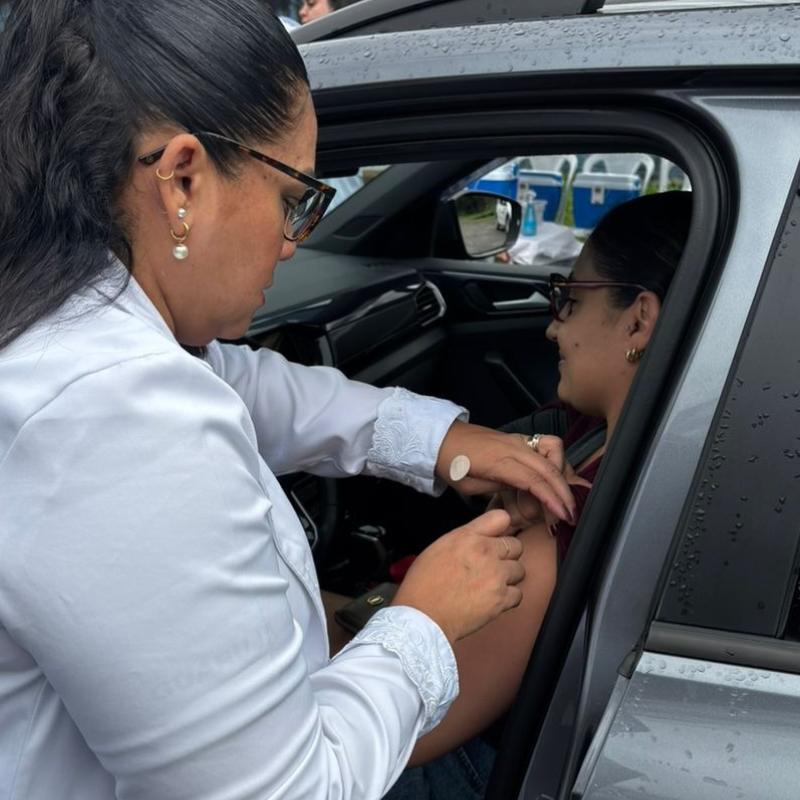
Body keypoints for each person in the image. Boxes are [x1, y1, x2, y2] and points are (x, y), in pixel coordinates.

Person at [0, 2, 577, 799]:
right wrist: (426, 623)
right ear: (183, 179)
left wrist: (442, 441)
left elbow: (241, 382)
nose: (292, 240)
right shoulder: (113, 415)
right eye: (294, 199)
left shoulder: (79, 323)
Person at [384, 191, 693, 798]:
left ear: (639, 318)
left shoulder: (584, 505)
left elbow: (408, 734)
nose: (552, 324)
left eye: (570, 300)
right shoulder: (595, 435)